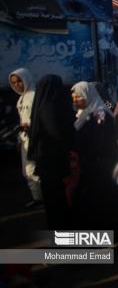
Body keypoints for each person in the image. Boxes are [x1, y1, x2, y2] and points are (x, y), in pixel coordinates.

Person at [70, 81, 118, 231]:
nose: (75, 101)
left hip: (102, 165)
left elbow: (100, 142)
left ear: (88, 95)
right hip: (92, 165)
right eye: (73, 97)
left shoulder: (100, 113)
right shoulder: (84, 114)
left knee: (104, 199)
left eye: (78, 97)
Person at [27, 75, 75, 229]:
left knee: (52, 200)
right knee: (58, 200)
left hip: (45, 161)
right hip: (54, 162)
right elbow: (57, 136)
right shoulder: (51, 107)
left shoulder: (41, 106)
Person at [9, 68, 43, 208]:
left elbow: (38, 118)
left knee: (33, 169)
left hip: (34, 137)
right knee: (27, 170)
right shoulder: (21, 99)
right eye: (14, 82)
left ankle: (41, 199)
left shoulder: (34, 95)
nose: (17, 85)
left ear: (26, 79)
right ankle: (37, 198)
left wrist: (28, 126)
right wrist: (19, 139)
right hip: (25, 138)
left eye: (19, 81)